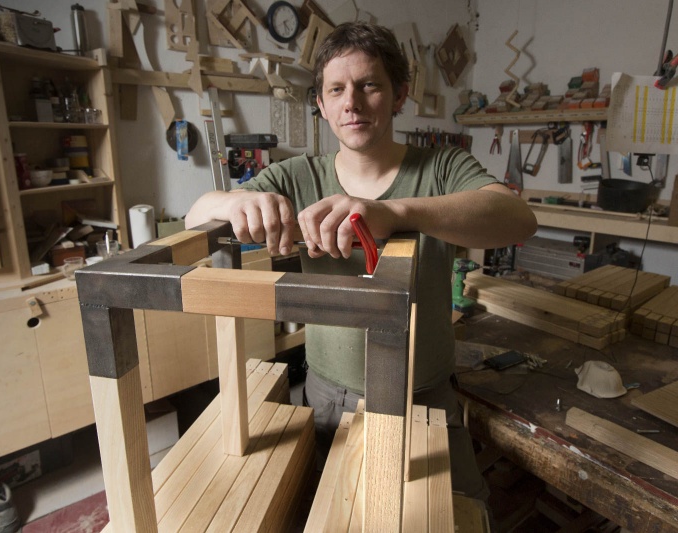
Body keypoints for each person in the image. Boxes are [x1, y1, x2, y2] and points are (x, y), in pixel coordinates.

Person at [186, 22, 537, 500]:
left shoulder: (440, 168)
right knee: (335, 512)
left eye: (369, 85)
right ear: (322, 104)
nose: (351, 102)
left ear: (398, 96)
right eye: (336, 89)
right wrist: (232, 205)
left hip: (425, 397)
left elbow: (518, 219)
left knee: (450, 515)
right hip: (329, 396)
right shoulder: (298, 175)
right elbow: (195, 215)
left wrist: (394, 212)